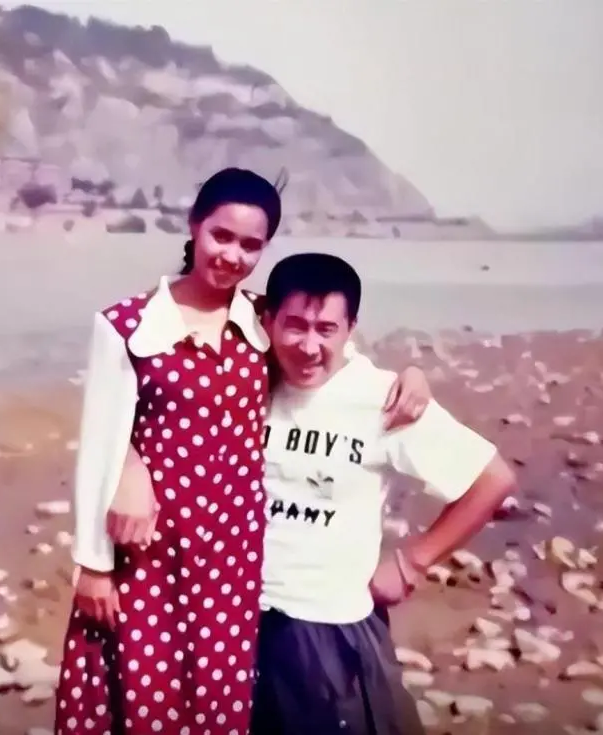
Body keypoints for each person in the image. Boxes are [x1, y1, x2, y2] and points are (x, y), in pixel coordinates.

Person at [54, 168, 432, 735]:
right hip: (148, 555)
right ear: (194, 226)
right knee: (145, 698)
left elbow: (326, 348)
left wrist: (412, 376)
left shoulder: (258, 321)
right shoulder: (128, 326)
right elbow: (98, 442)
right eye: (221, 236)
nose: (232, 255)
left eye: (250, 245)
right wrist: (93, 566)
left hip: (231, 561)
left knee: (219, 705)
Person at [249, 253, 517, 735]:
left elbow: (491, 479)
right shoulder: (245, 379)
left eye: (326, 329)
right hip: (237, 615)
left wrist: (412, 562)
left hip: (327, 626)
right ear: (268, 320)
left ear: (350, 329)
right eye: (294, 326)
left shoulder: (382, 398)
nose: (309, 346)